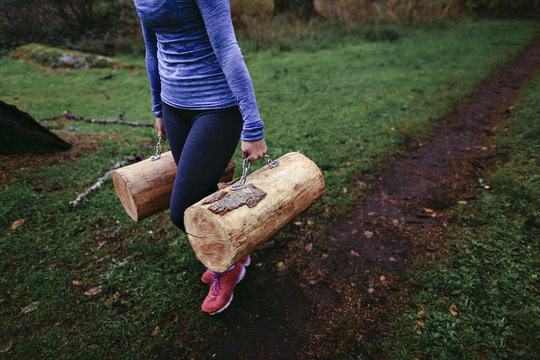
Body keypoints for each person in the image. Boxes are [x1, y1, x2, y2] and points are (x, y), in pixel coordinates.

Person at [133, 0, 267, 315]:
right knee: (202, 193)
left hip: (217, 106)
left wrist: (253, 125)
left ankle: (228, 267)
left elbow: (227, 47)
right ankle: (232, 253)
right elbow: (152, 49)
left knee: (181, 211)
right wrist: (158, 107)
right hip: (173, 105)